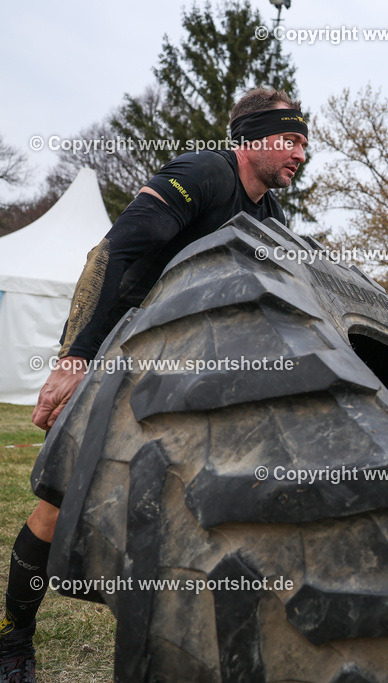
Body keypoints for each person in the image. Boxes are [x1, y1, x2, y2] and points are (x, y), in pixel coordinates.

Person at [0, 88, 308, 683]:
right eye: (289, 139)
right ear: (251, 139)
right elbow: (109, 254)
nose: (300, 153)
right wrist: (74, 359)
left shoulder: (270, 218)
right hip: (119, 344)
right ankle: (13, 638)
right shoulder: (203, 173)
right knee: (58, 500)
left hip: (184, 362)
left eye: (303, 142)